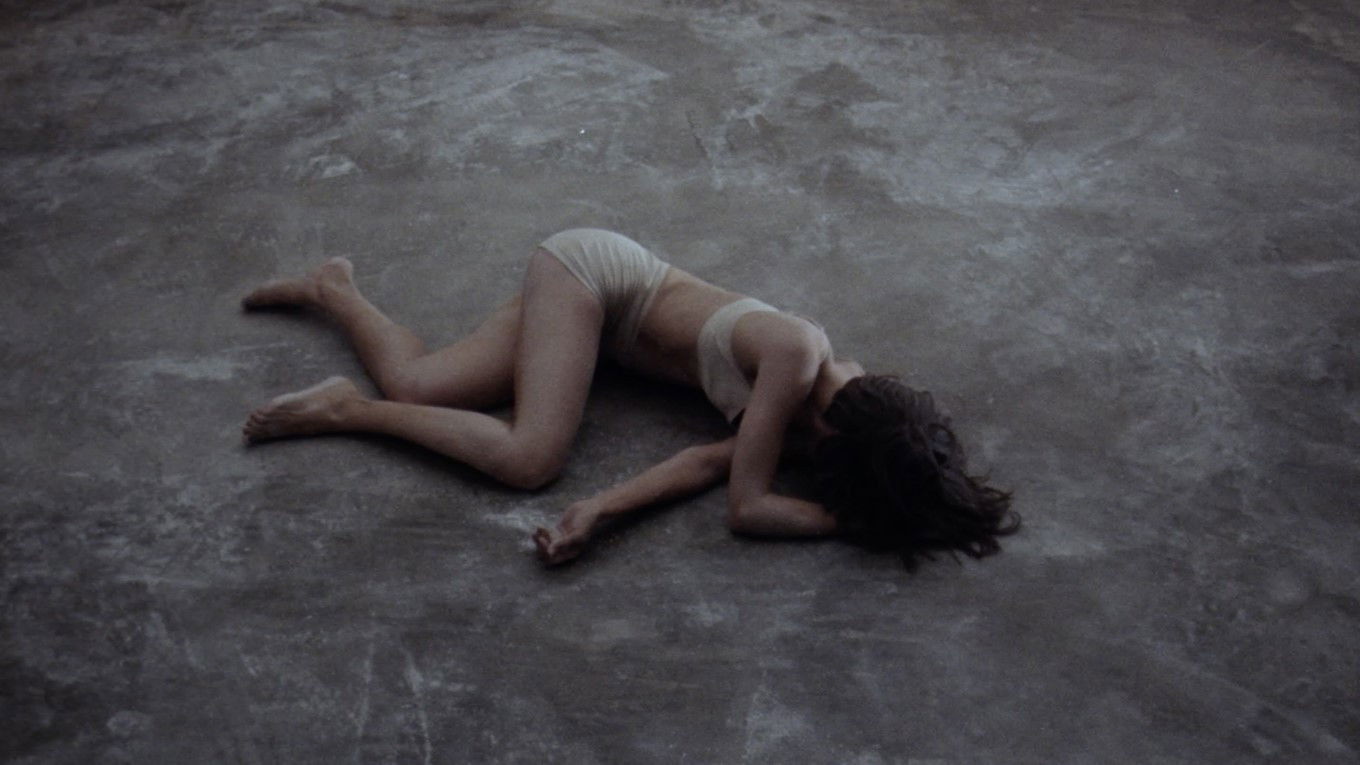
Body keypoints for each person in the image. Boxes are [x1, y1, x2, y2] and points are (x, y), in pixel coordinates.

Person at [241, 229, 1018, 567]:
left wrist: (601, 510)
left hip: (602, 333)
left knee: (418, 384)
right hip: (590, 278)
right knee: (530, 458)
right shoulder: (796, 355)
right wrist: (853, 523)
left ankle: (333, 289)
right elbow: (747, 504)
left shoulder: (846, 417)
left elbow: (708, 461)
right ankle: (346, 410)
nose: (816, 471)